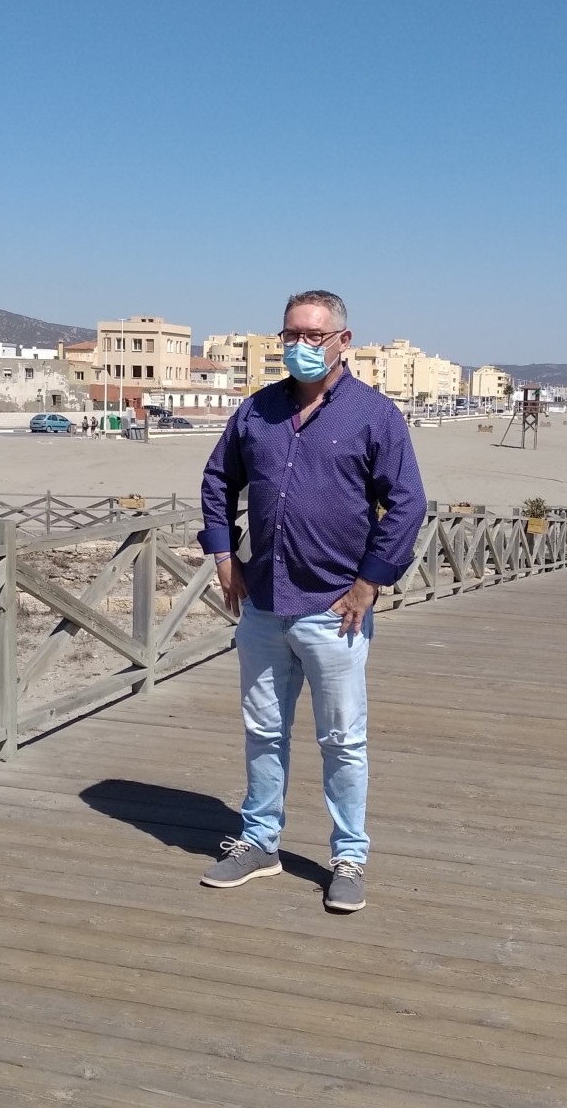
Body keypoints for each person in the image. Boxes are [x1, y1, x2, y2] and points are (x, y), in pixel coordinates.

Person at [197, 290, 426, 913]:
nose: (300, 346)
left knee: (343, 739)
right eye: (291, 334)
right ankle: (258, 841)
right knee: (262, 729)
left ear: (343, 341)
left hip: (335, 608)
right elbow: (218, 481)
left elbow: (406, 502)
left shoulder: (375, 415)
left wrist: (369, 581)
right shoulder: (257, 412)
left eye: (314, 336)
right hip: (265, 604)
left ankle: (348, 856)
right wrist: (224, 556)